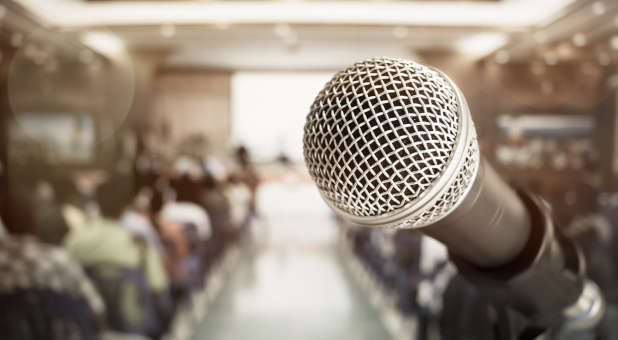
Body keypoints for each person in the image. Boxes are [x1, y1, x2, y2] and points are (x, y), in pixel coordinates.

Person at [63, 175, 169, 337]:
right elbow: (157, 287)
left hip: (89, 328)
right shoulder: (138, 244)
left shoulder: (75, 240)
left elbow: (67, 286)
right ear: (126, 207)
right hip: (134, 327)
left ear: (97, 203)